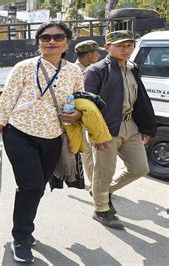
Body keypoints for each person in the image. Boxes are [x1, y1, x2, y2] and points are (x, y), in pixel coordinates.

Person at [0, 21, 83, 263]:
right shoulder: (24, 67)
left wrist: (78, 114)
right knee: (30, 186)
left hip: (53, 137)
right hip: (20, 134)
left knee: (38, 188)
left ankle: (25, 228)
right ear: (38, 42)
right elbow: (6, 103)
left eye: (58, 37)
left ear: (67, 43)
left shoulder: (74, 71)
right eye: (45, 37)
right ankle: (21, 238)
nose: (51, 41)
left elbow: (81, 102)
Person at [83, 30, 156, 230]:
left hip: (130, 125)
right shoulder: (95, 71)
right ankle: (100, 209)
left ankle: (102, 192)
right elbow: (86, 105)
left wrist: (146, 126)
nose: (126, 50)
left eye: (129, 45)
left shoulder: (132, 68)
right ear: (107, 47)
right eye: (120, 46)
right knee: (104, 171)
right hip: (105, 128)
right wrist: (96, 133)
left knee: (141, 168)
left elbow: (140, 100)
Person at [73, 40, 105, 192]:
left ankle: (95, 183)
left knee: (90, 151)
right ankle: (95, 184)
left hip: (90, 115)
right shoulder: (75, 71)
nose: (99, 55)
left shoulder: (92, 69)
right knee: (88, 151)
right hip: (80, 117)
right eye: (96, 52)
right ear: (89, 54)